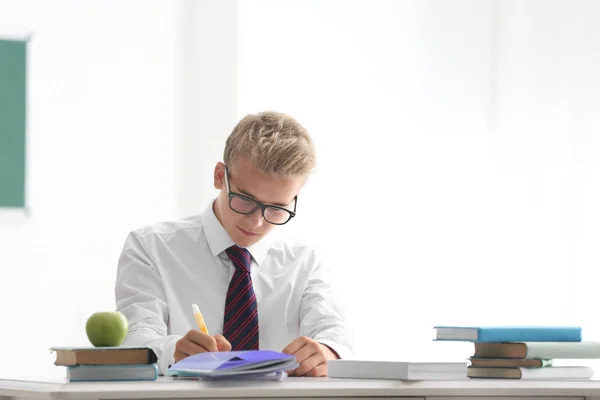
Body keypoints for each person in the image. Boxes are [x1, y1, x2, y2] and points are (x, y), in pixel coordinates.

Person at [115, 111, 353, 376]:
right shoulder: (150, 247)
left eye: (276, 208)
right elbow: (135, 338)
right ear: (219, 176)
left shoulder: (305, 260)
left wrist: (327, 351)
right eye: (245, 200)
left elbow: (335, 332)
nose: (256, 223)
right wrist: (173, 351)